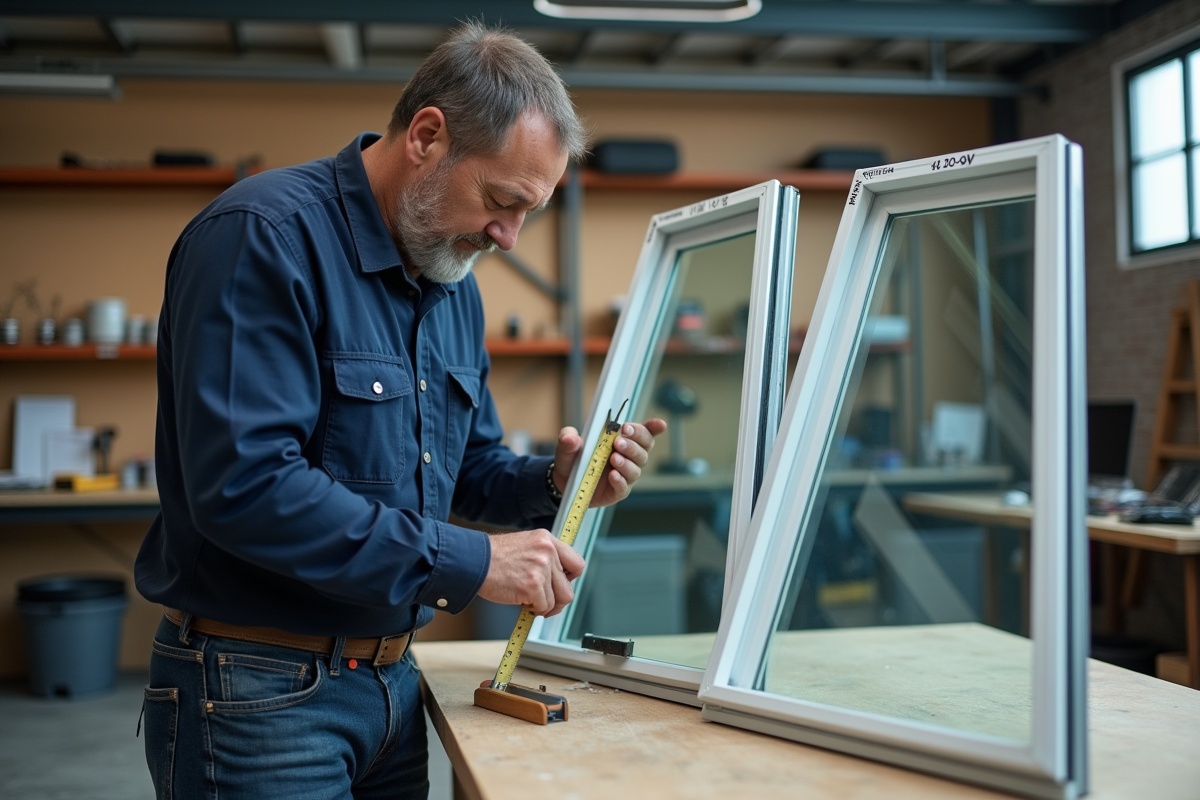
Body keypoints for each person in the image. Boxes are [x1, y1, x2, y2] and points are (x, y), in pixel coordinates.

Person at [134, 22, 666, 800]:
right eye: (500, 200)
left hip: (391, 683)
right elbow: (245, 489)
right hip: (256, 692)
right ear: (426, 136)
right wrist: (475, 563)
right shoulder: (261, 238)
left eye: (531, 212)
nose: (509, 238)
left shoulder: (450, 282)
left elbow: (461, 468)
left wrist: (555, 482)